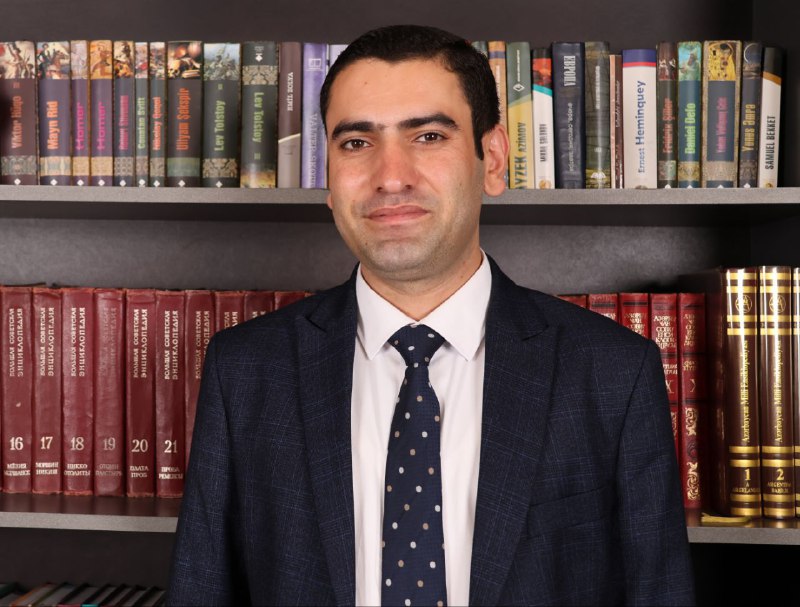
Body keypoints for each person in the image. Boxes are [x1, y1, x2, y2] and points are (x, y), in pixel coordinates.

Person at [168, 25, 694, 606]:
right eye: (356, 143)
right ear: (328, 176)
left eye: (428, 136)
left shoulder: (614, 373)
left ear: (493, 160)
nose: (391, 176)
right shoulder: (243, 371)